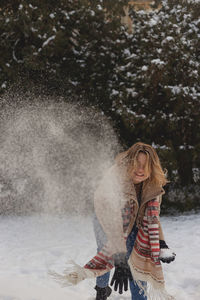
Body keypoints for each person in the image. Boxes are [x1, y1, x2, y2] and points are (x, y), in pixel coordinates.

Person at [49, 142, 176, 300]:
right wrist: (120, 257)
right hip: (106, 218)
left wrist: (161, 243)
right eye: (137, 164)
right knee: (106, 250)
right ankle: (102, 291)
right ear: (130, 163)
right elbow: (113, 221)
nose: (140, 170)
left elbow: (152, 217)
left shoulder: (153, 185)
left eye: (145, 165)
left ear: (152, 167)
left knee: (137, 259)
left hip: (134, 221)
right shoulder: (114, 179)